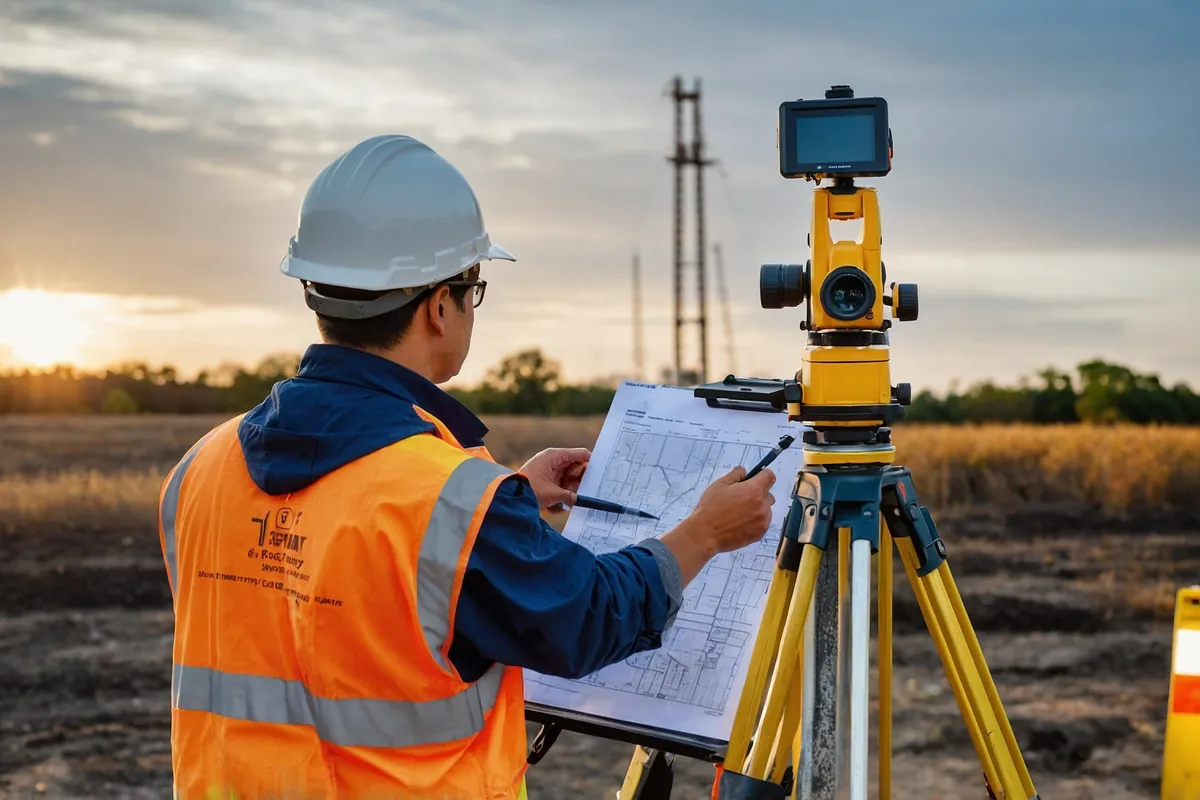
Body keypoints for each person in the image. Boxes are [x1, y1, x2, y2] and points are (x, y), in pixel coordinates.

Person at [157, 134, 777, 799]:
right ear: (438, 306)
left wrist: (506, 499)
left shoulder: (200, 469)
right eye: (473, 288)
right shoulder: (452, 507)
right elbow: (588, 617)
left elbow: (332, 593)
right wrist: (704, 533)